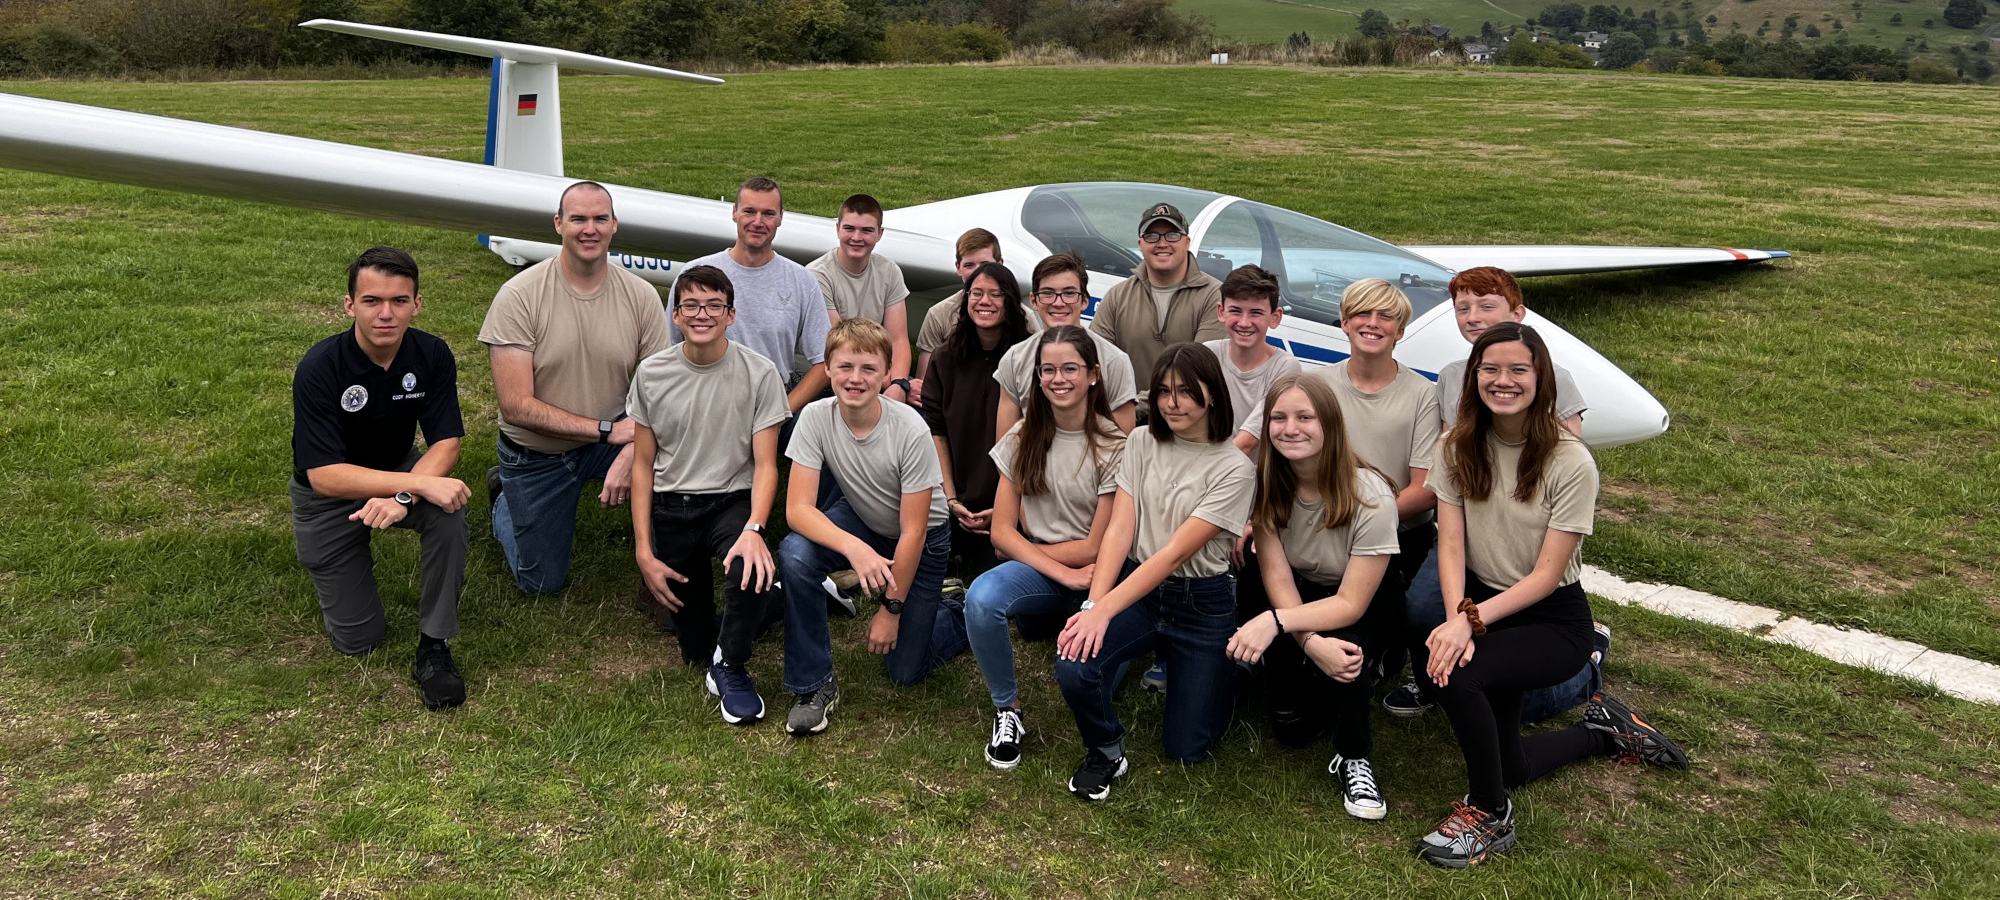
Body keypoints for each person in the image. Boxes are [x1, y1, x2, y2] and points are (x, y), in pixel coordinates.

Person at [1415, 322, 1688, 869]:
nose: (1503, 380)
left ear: (1542, 380)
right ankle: (1604, 735)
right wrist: (1455, 620)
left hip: (1550, 618)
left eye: (1519, 369)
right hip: (1482, 602)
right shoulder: (1456, 445)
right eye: (1489, 369)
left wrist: (1467, 624)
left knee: (1451, 673)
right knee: (1508, 759)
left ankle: (1490, 815)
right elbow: (1450, 544)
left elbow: (1544, 577)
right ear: (1474, 378)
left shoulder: (1570, 460)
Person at [1385, 266, 1602, 721]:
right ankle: (1436, 681)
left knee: (1523, 705)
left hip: (1524, 542)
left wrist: (1468, 619)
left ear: (1517, 313)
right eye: (1463, 307)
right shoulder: (1451, 377)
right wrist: (1454, 619)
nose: (1473, 315)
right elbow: (1453, 464)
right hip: (1467, 537)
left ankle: (1588, 665)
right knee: (1422, 608)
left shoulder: (1549, 376)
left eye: (1487, 305)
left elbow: (1565, 460)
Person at [1053, 344, 1256, 801]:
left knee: (1187, 750)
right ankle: (1106, 749)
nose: (1172, 402)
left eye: (1186, 390)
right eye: (1163, 391)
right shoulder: (1142, 441)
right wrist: (1092, 606)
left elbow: (1172, 556)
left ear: (1212, 394)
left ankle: (1233, 673)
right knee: (1073, 664)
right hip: (1140, 590)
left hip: (1201, 603)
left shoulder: (1235, 468)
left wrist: (1104, 610)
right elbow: (1120, 530)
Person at [291, 247, 470, 710]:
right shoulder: (320, 366)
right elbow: (324, 476)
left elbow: (446, 443)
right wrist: (408, 487)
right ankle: (349, 556)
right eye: (371, 301)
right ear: (349, 305)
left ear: (417, 304)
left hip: (400, 471)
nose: (385, 313)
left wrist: (406, 492)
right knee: (359, 640)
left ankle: (434, 647)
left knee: (449, 512)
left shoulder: (430, 353)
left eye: (398, 301)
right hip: (328, 496)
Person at [777, 318, 969, 736]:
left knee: (904, 671)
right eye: (844, 367)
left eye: (868, 369)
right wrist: (856, 550)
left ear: (886, 374)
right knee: (794, 553)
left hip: (921, 539)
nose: (855, 378)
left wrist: (890, 609)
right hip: (862, 517)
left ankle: (956, 610)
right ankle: (813, 686)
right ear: (826, 369)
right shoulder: (814, 416)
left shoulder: (910, 428)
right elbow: (797, 510)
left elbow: (915, 532)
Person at [481, 181, 671, 594]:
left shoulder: (641, 296)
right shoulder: (519, 296)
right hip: (538, 454)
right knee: (540, 583)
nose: (590, 229)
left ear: (614, 225)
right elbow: (516, 407)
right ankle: (502, 502)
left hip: (613, 439)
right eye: (578, 219)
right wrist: (610, 432)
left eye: (600, 218)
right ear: (558, 225)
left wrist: (633, 449)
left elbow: (664, 391)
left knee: (677, 466)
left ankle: (662, 567)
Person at [1224, 375, 1400, 820]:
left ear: (1331, 425)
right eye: (1278, 418)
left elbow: (1352, 603)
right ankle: (1278, 673)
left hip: (1361, 596)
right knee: (1291, 729)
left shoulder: (1370, 494)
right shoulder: (1268, 484)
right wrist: (1306, 640)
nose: (1290, 428)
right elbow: (1277, 576)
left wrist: (1278, 624)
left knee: (1346, 654)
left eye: (1305, 417)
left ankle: (1355, 755)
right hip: (1299, 595)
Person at [627, 265, 790, 725]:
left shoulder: (760, 373)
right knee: (695, 648)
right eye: (691, 305)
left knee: (747, 568)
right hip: (672, 506)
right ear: (676, 315)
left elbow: (765, 465)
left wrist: (756, 527)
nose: (702, 314)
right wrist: (643, 550)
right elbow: (642, 465)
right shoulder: (652, 373)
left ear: (731, 314)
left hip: (731, 501)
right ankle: (778, 600)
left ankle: (733, 667)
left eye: (713, 305)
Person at [964, 327, 1126, 770]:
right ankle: (1007, 710)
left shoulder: (1115, 445)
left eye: (1070, 368)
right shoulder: (1022, 436)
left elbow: (1097, 545)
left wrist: (1027, 551)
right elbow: (1000, 532)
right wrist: (1060, 571)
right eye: (1048, 370)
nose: (1059, 378)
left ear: (1093, 374)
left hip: (1102, 574)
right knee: (981, 599)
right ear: (1036, 378)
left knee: (1089, 678)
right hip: (1056, 569)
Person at [677, 177, 831, 419]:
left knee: (827, 441)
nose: (758, 222)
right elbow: (668, 351)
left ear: (781, 217)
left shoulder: (802, 281)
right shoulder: (695, 274)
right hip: (705, 401)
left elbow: (824, 363)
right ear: (735, 212)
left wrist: (782, 411)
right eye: (749, 211)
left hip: (774, 400)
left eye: (768, 214)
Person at [921, 263, 1034, 580]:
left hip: (1015, 505)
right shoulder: (945, 358)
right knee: (920, 559)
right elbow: (936, 431)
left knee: (996, 575)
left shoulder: (1029, 358)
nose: (985, 301)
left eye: (996, 294)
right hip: (955, 502)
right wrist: (951, 499)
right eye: (977, 293)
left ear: (1010, 301)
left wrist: (1005, 508)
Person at [1087, 204, 1225, 403]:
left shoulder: (1214, 296)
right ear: (1140, 244)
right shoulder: (1117, 297)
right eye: (1152, 236)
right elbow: (1097, 362)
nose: (1162, 243)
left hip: (1188, 420)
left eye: (1172, 235)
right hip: (1127, 420)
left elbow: (1198, 370)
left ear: (1187, 242)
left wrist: (1138, 408)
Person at [994, 253, 1138, 437]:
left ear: (1085, 300)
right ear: (1033, 300)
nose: (1058, 302)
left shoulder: (1114, 361)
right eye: (1048, 293)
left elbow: (1122, 447)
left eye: (1069, 293)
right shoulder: (1014, 359)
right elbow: (1005, 448)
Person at [912, 228, 1040, 405]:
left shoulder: (1024, 317)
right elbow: (924, 384)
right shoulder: (939, 314)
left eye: (985, 264)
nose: (978, 273)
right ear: (958, 268)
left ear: (1000, 264)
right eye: (969, 265)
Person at [807, 193, 913, 404]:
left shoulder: (889, 271)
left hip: (874, 373)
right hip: (830, 378)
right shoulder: (817, 275)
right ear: (837, 228)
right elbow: (843, 347)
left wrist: (899, 384)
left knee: (926, 411)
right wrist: (888, 384)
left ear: (880, 233)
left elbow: (899, 339)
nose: (857, 237)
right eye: (849, 229)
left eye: (866, 230)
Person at [1202, 265, 1300, 455]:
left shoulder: (1285, 367)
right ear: (1221, 312)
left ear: (1275, 317)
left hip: (1255, 474)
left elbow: (1248, 440)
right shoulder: (1207, 355)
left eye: (1256, 313)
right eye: (1236, 311)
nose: (1244, 323)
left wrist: (1210, 472)